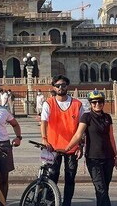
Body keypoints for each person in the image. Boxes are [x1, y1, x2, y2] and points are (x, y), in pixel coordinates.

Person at [64, 90, 117, 206]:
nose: (97, 104)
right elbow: (78, 135)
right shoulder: (86, 117)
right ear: (90, 104)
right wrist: (67, 148)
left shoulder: (107, 117)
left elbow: (111, 138)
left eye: (100, 102)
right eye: (94, 102)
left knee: (104, 189)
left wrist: (116, 156)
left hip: (108, 158)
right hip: (94, 158)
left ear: (103, 103)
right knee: (101, 189)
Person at [40, 75, 85, 206]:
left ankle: (67, 203)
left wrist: (81, 145)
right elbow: (44, 122)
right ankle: (50, 202)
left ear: (67, 86)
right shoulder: (49, 103)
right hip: (53, 147)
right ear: (53, 87)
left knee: (70, 178)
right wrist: (44, 139)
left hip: (72, 148)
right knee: (52, 177)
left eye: (63, 85)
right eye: (58, 85)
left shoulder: (77, 104)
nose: (60, 88)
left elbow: (81, 128)